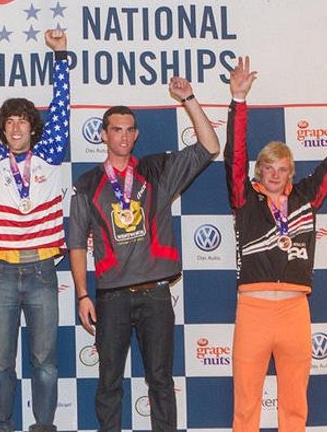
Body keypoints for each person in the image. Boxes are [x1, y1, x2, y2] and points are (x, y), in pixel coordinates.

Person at [224, 57, 327, 431]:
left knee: (294, 404)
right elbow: (233, 154)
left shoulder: (307, 197)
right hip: (253, 310)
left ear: (291, 173)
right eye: (268, 168)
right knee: (246, 402)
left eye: (282, 169)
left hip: (296, 311)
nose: (275, 175)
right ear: (259, 172)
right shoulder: (243, 199)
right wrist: (238, 100)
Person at [68, 79, 220, 431]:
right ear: (103, 135)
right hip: (111, 298)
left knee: (161, 382)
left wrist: (190, 99)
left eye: (129, 130)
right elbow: (76, 243)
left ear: (136, 135)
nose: (123, 136)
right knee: (108, 384)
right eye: (115, 129)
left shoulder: (157, 171)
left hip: (155, 294)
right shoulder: (88, 183)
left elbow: (210, 146)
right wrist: (81, 294)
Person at [0, 29, 69, 432]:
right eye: (9, 122)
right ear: (2, 130)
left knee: (45, 363)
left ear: (33, 129)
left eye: (23, 121)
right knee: (0, 363)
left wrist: (61, 57)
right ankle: (0, 426)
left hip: (42, 269)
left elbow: (62, 109)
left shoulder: (50, 154)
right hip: (1, 272)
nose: (17, 127)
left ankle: (43, 427)